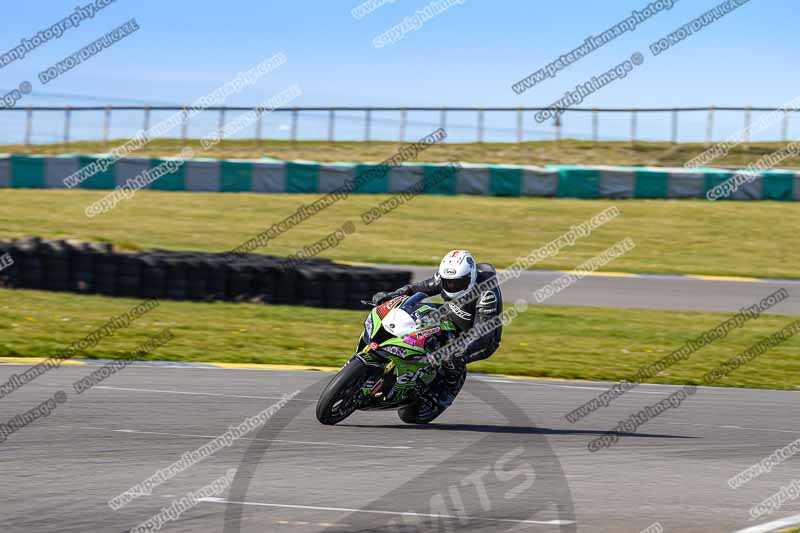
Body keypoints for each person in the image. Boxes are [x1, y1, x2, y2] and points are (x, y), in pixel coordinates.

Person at [371, 250, 503, 423]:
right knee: (420, 315)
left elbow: (481, 336)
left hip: (480, 339)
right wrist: (391, 296)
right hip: (451, 318)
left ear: (470, 277)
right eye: (448, 282)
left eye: (457, 283)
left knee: (450, 358)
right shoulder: (445, 277)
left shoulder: (486, 295)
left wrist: (453, 351)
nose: (451, 286)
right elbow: (414, 289)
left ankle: (444, 392)